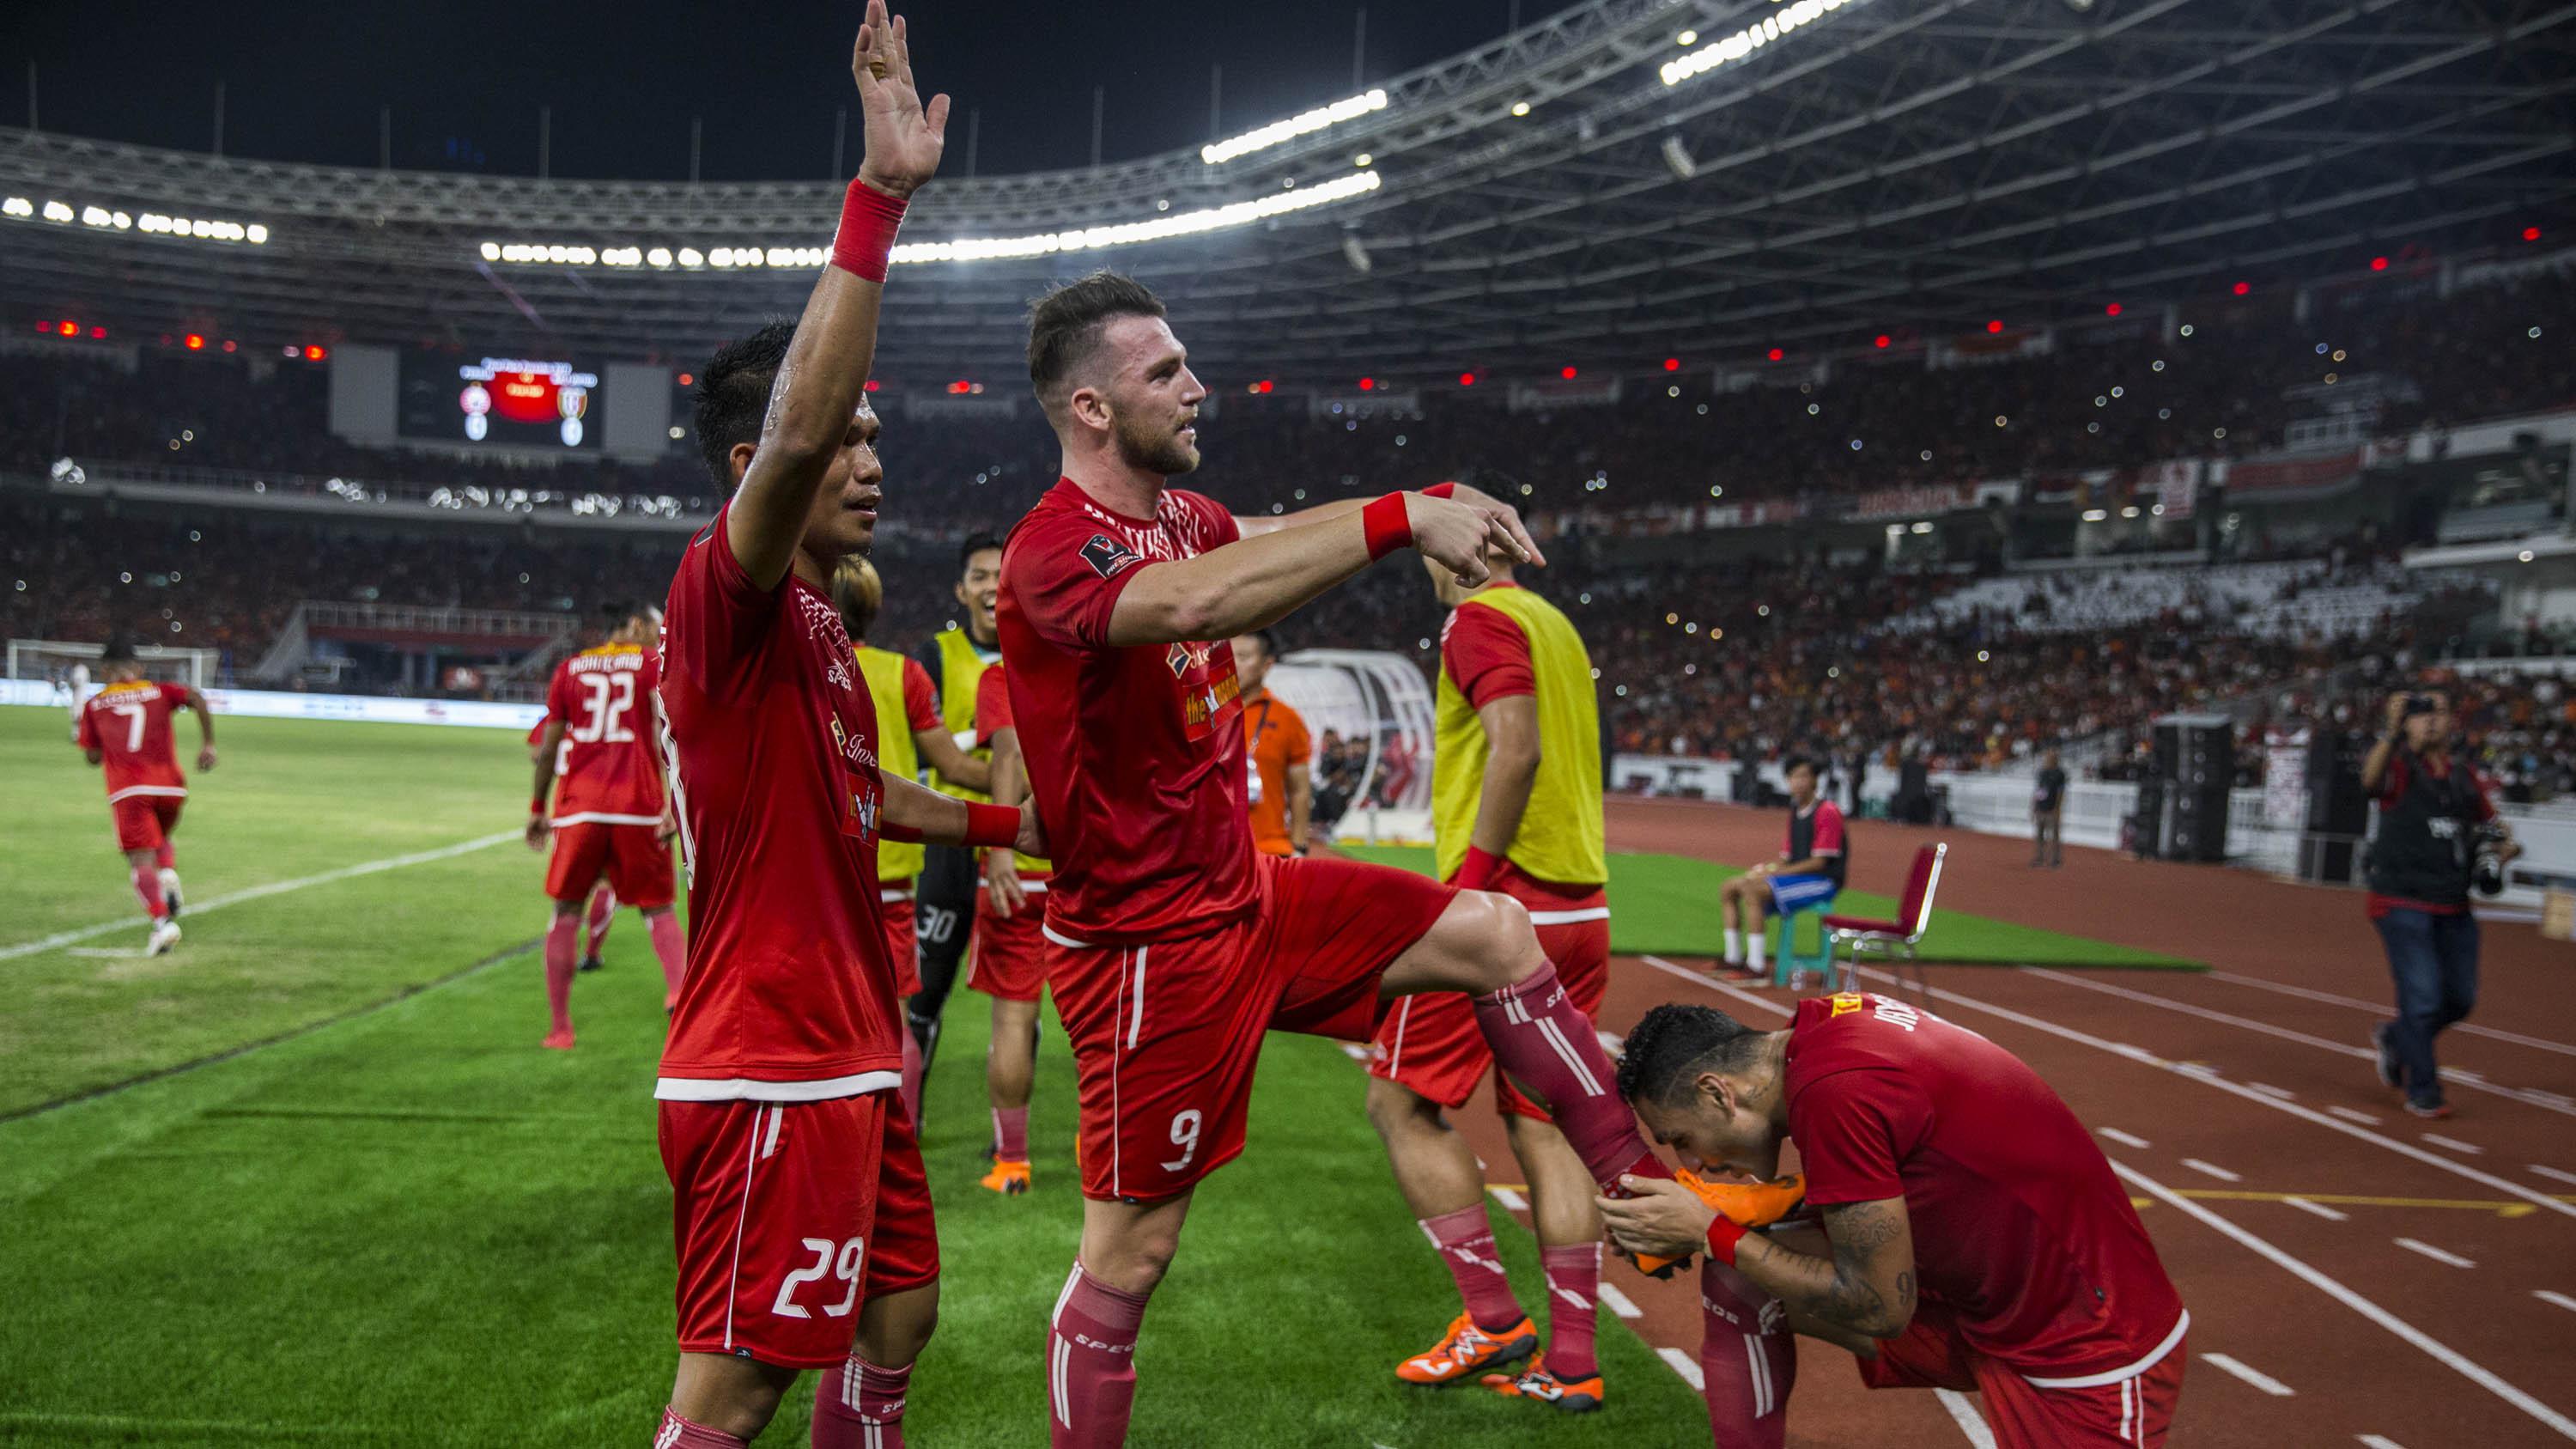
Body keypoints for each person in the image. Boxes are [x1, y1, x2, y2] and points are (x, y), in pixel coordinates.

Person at [997, 270, 1668, 1448]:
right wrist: (1406, 514)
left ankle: (1637, 1184)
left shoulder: (1178, 515)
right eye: (1165, 371)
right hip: (1148, 953)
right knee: (1130, 1252)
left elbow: (1260, 539)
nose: (1197, 385)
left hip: (1251, 895)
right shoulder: (1052, 551)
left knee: (1496, 934)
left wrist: (1424, 497)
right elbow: (1197, 601)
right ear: (1092, 407)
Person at [647, 17, 1028, 1446]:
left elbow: (872, 799)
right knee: (736, 1389)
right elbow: (800, 424)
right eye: (848, 441)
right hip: (769, 1055)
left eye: (874, 438)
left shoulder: (822, 629)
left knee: (897, 1315)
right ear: (759, 468)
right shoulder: (724, 592)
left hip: (847, 1040)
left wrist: (1011, 824)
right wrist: (879, 201)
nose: (870, 459)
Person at [1602, 996, 2190, 1448]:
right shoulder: (1819, 1032)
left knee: (1736, 1256)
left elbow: (1881, 1307)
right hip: (1986, 1305)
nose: (1692, 1163)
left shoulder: (1835, 1092)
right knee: (1740, 1277)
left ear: (1717, 1092)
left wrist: (1712, 1228)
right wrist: (1713, 1220)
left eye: (1682, 1139)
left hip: (2086, 1343)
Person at [1364, 507, 1616, 1411]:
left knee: (1399, 1099)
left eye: (1437, 531)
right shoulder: (1552, 618)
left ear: (1481, 540)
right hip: (1582, 900)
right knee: (1543, 1130)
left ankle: (1493, 1316)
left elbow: (1516, 750)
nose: (1426, 549)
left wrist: (1462, 894)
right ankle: (1575, 1361)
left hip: (1505, 911)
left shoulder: (1479, 618)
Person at [832, 557, 992, 1120]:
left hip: (815, 872)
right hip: (891, 868)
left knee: (817, 1017)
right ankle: (899, 1139)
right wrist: (1018, 775)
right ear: (872, 609)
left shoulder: (789, 668)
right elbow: (954, 765)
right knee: (896, 1017)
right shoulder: (905, 673)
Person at [527, 602, 686, 1044]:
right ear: (635, 624)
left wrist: (538, 808)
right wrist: (673, 803)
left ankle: (560, 1028)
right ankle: (678, 995)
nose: (657, 635)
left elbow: (548, 744)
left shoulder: (571, 667)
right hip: (638, 804)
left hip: (580, 806)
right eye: (653, 626)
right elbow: (667, 734)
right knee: (659, 909)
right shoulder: (651, 663)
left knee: (565, 911)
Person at [2360, 690, 2516, 1120]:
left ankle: (2395, 1040)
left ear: (2452, 722)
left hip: (2453, 904)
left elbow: (2496, 829)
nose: (2428, 720)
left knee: (2460, 999)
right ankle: (2423, 1088)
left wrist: (2501, 851)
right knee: (2423, 999)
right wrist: (2390, 733)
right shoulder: (2398, 766)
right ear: (2406, 723)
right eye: (2419, 713)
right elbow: (2369, 783)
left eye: (2438, 713)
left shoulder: (2463, 776)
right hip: (2400, 899)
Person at [902, 532, 1007, 1093]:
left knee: (1020, 1004)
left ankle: (1009, 1146)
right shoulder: (932, 657)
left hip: (1022, 847)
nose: (993, 586)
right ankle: (906, 1120)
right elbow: (931, 751)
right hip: (952, 843)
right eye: (981, 576)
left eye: (1001, 575)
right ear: (962, 589)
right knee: (926, 988)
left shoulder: (1043, 654)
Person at [967, 656, 1054, 1196]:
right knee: (1100, 1025)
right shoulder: (1095, 657)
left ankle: (1013, 1165)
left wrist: (1001, 847)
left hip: (1021, 869)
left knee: (1013, 1022)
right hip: (1091, 867)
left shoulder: (1005, 674)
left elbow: (1010, 750)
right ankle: (1099, 1151)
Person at [74, 636, 216, 957]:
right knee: (159, 840)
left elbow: (93, 757)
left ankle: (162, 924)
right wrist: (208, 744)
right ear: (138, 668)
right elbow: (196, 697)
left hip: (130, 789)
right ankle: (167, 873)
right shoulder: (161, 690)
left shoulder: (95, 704)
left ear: (105, 670)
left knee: (139, 860)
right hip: (172, 788)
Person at [1715, 756, 1846, 983]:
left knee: (1752, 890)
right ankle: (1733, 957)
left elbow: (1819, 862)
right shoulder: (1796, 812)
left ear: (1815, 780)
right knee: (1728, 887)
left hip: (1823, 881)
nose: (1799, 782)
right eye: (1794, 777)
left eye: (1804, 776)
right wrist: (1766, 869)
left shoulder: (1827, 811)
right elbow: (1787, 859)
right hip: (1801, 878)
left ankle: (1756, 967)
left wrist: (1774, 874)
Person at [528, 714, 621, 972]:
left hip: (570, 810)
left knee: (569, 894)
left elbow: (538, 754)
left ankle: (561, 959)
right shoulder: (615, 712)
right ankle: (591, 953)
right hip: (615, 804)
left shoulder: (558, 715)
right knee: (605, 881)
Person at [1233, 629, 1313, 858]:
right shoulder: (1202, 713)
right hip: (1212, 852)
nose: (1234, 664)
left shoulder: (1287, 719)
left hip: (1269, 850)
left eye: (1244, 657)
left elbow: (1299, 789)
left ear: (1267, 664)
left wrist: (1299, 846)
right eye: (1229, 656)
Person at [2032, 748, 2068, 869]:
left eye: (2050, 758)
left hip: (2052, 809)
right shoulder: (2042, 773)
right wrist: (2034, 807)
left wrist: (2057, 808)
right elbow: (2038, 791)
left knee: (2054, 835)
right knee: (2039, 835)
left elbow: (2061, 792)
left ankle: (2055, 859)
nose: (2047, 760)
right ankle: (2039, 857)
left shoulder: (2060, 774)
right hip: (2041, 808)